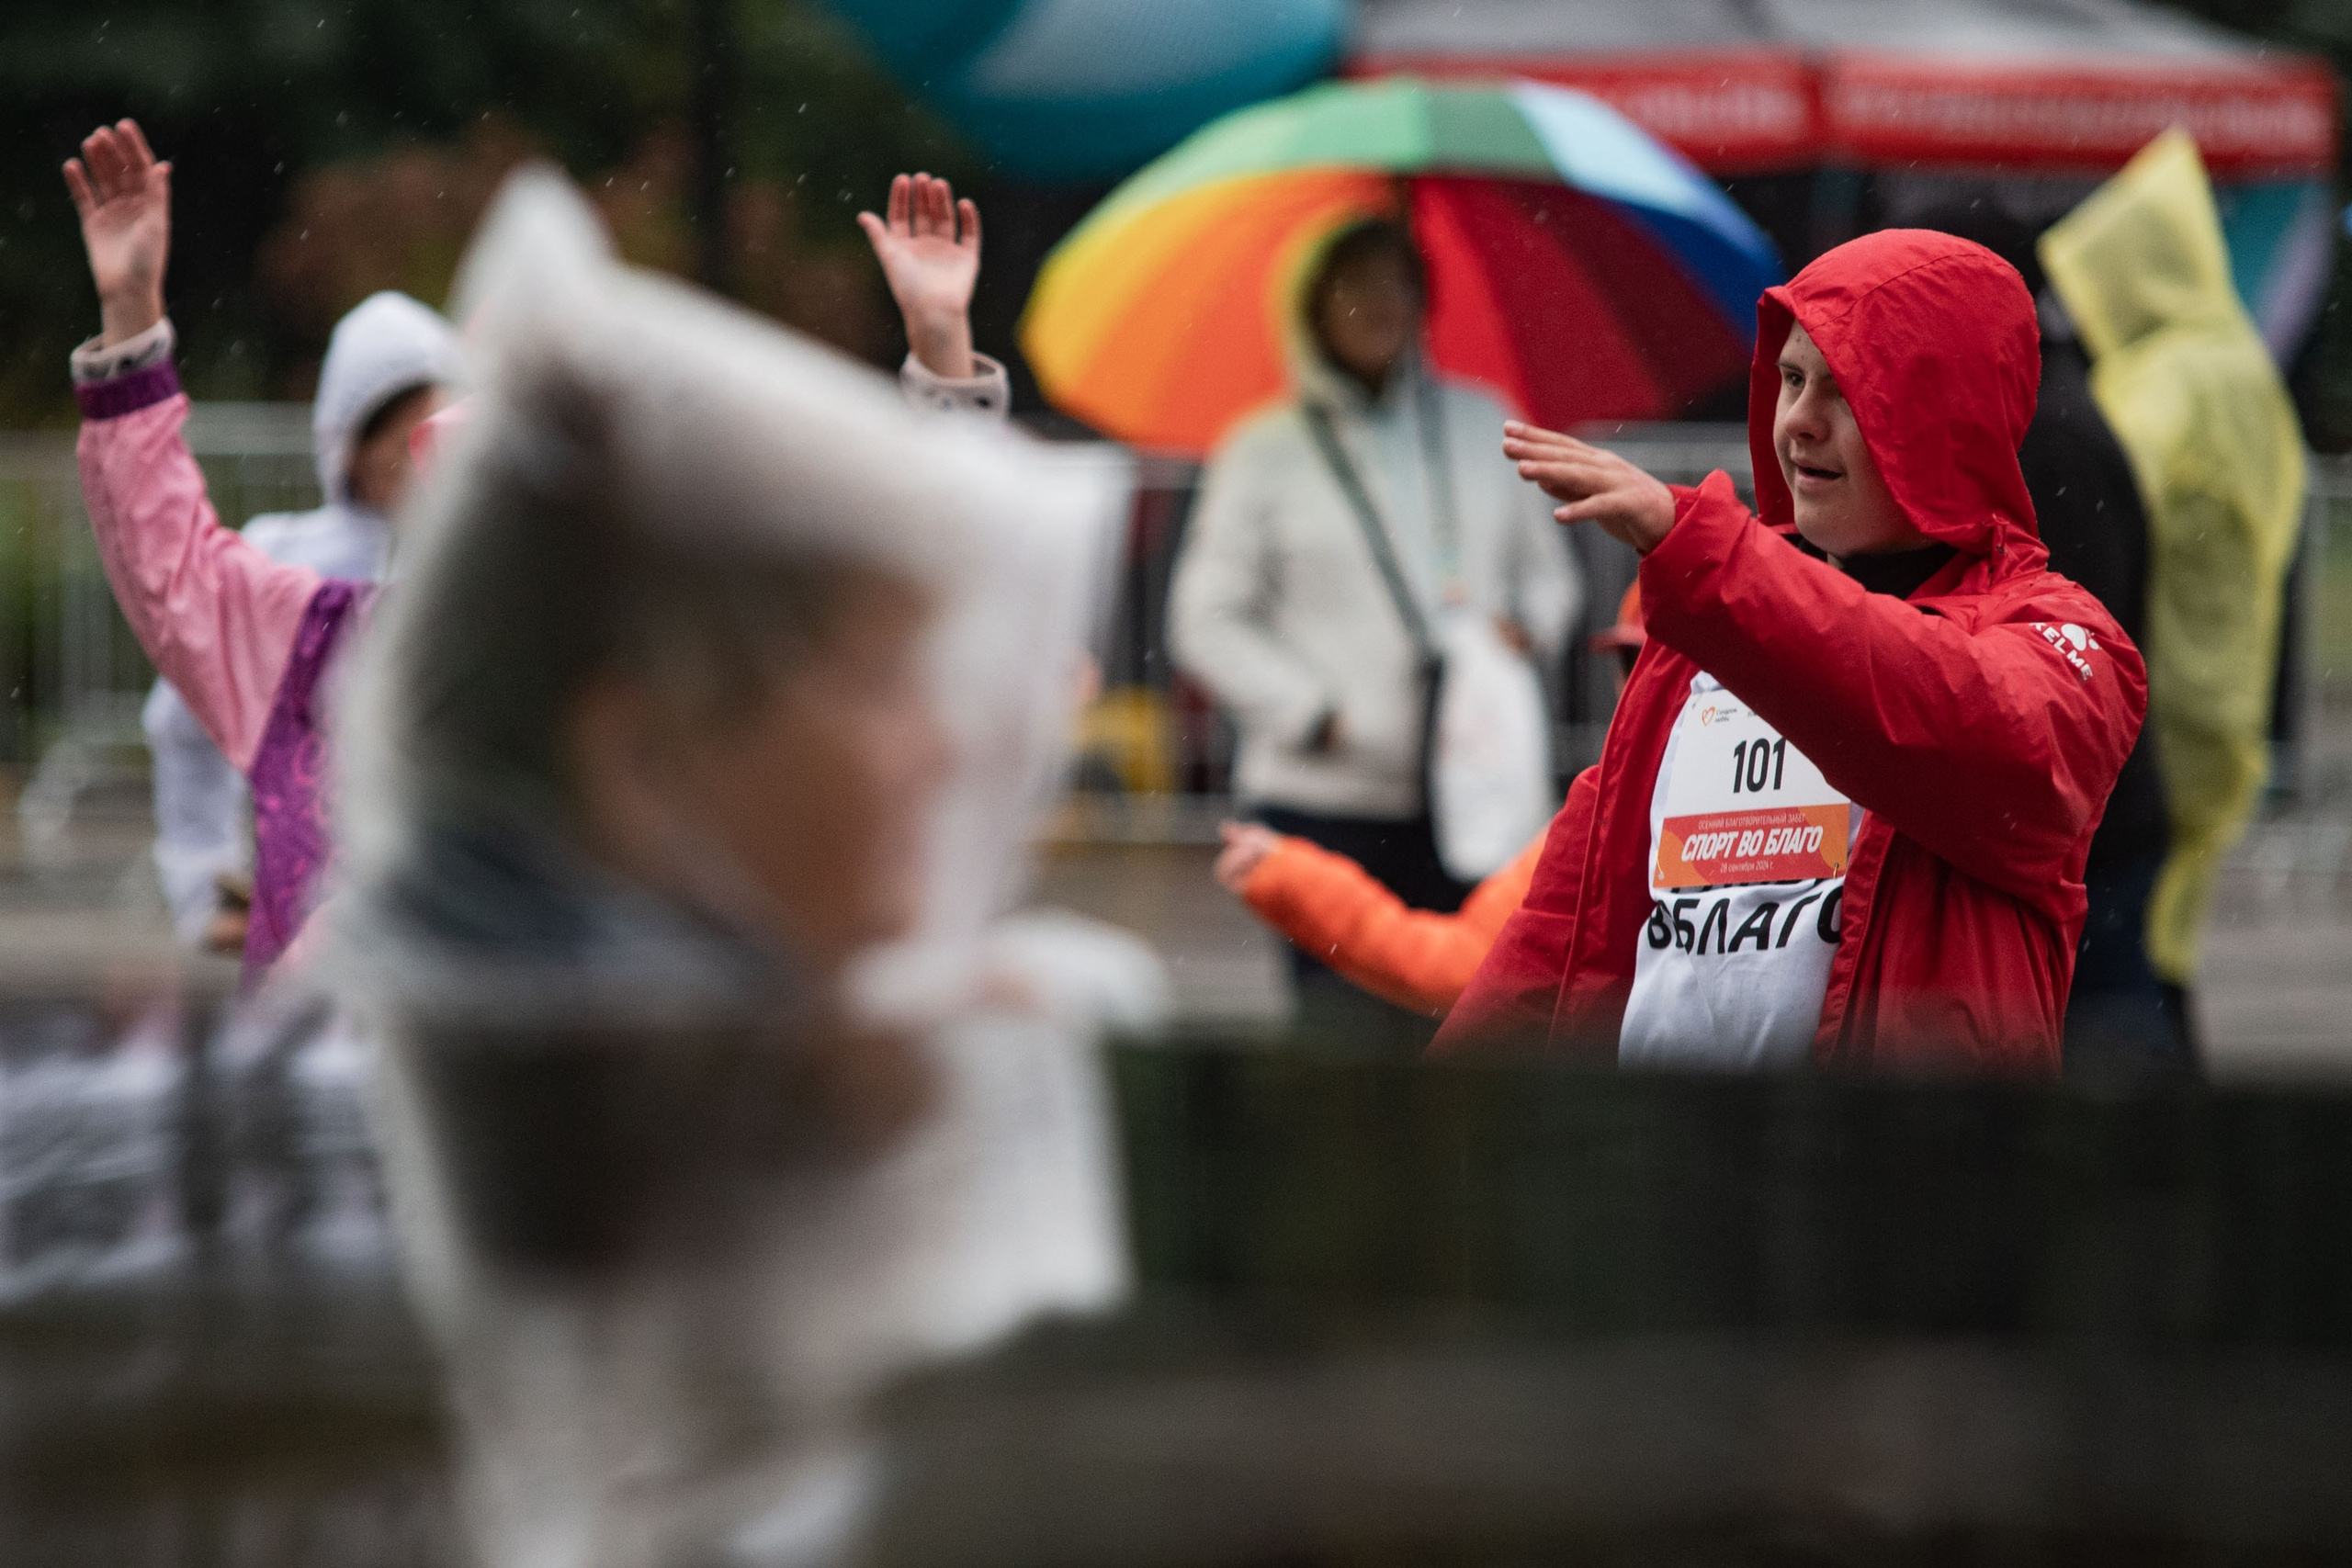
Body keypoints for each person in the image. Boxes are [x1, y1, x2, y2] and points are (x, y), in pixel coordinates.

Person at [341, 164, 1145, 1568]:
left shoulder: (496, 1044)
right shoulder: (656, 1172)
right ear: (638, 754)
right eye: (882, 682)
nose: (948, 750)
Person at [63, 118, 1008, 982]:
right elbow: (167, 566)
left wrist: (943, 359)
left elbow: (908, 593)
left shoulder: (661, 693)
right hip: (331, 1119)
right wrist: (131, 326)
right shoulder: (321, 647)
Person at [1436, 229, 2145, 1074]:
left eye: (1848, 389)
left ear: (1946, 412)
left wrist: (1711, 560)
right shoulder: (1702, 627)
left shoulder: (2064, 638)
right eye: (1792, 379)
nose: (1800, 422)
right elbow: (1559, 936)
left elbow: (1954, 717)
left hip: (1891, 1191)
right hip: (1657, 1183)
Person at [1168, 218, 1580, 1035]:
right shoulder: (1262, 450)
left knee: (1476, 1035)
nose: (1377, 304)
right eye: (1353, 283)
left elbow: (1550, 577)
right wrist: (1311, 712)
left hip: (1476, 797)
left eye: (1396, 282)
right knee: (1343, 1048)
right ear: (1314, 306)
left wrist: (1522, 629)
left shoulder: (1484, 421)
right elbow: (1203, 618)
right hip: (1324, 802)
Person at [2040, 130, 2309, 1067]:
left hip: (2168, 699)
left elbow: (2099, 489)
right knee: (2160, 945)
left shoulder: (2168, 379)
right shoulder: (2233, 359)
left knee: (2140, 960)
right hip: (2217, 684)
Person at [1914, 202, 2179, 1070]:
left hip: (2089, 809)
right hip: (2098, 805)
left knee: (2114, 1041)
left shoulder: (2043, 429)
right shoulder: (2054, 406)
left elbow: (2075, 628)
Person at [142, 290, 458, 954]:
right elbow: (181, 719)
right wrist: (204, 883)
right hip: (311, 919)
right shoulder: (284, 560)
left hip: (445, 924)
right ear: (349, 442)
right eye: (399, 431)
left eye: (438, 427)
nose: (416, 453)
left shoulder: (477, 570)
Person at [1213, 584, 1648, 1017]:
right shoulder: (1599, 816)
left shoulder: (1609, 816)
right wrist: (1292, 875)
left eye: (1664, 660)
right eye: (1630, 661)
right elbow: (1456, 963)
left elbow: (1453, 969)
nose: (1640, 681)